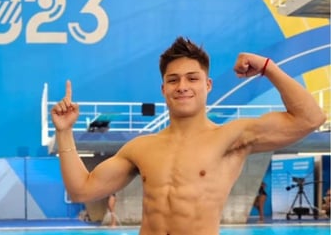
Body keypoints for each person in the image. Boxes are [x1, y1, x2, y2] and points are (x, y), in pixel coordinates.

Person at [51, 37, 326, 235]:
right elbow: (81, 190)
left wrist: (268, 67)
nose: (182, 86)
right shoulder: (141, 148)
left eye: (192, 78)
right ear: (163, 89)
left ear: (207, 85)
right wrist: (64, 132)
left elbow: (311, 118)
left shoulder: (233, 137)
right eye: (173, 80)